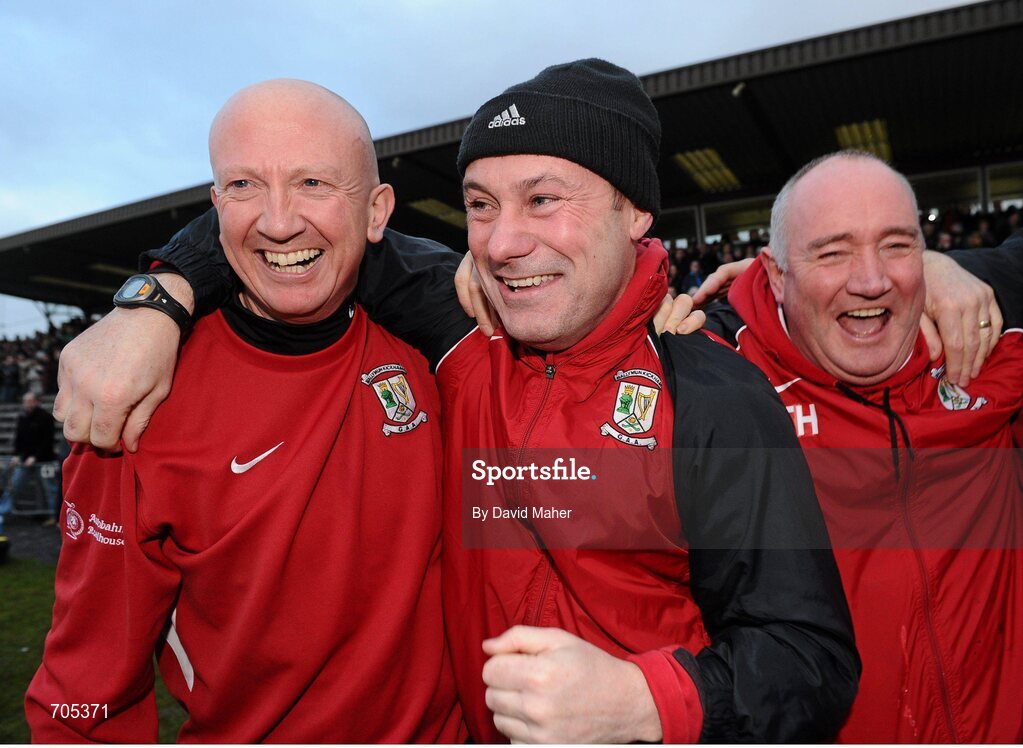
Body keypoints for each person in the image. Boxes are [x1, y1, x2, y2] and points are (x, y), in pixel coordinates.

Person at [56, 60, 863, 742]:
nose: (504, 241)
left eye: (544, 199)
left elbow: (811, 660)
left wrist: (641, 703)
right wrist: (155, 297)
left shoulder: (711, 388)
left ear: (635, 211)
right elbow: (298, 229)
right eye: (481, 204)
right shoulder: (458, 343)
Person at [25, 80, 463, 742]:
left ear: (377, 212)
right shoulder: (137, 396)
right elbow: (83, 698)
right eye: (243, 186)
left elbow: (598, 522)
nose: (279, 221)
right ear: (213, 206)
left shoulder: (443, 360)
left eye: (313, 182)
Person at [691, 151, 1023, 742]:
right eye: (832, 251)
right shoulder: (722, 388)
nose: (871, 280)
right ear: (775, 274)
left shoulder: (988, 349)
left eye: (896, 245)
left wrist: (956, 267)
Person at [0, 392, 59, 533]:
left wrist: (35, 457)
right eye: (25, 401)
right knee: (14, 485)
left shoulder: (46, 417)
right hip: (25, 460)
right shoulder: (22, 417)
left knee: (50, 488)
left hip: (44, 460)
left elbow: (47, 441)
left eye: (30, 401)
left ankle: (54, 515)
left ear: (36, 402)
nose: (27, 403)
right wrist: (16, 455)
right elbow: (18, 438)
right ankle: (2, 511)